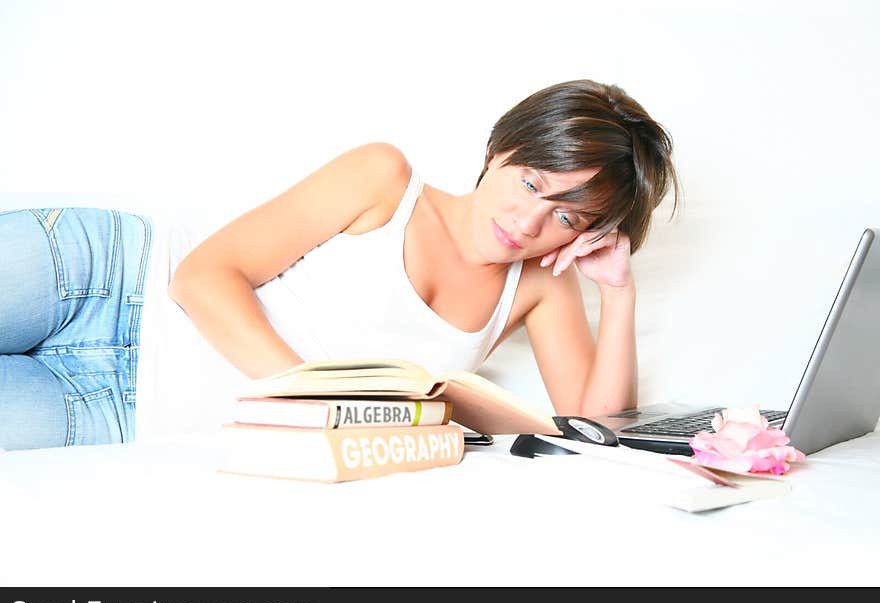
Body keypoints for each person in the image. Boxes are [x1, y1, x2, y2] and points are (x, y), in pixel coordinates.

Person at [0, 79, 678, 451]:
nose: (529, 222)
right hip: (102, 281)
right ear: (501, 147)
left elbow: (595, 435)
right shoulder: (385, 179)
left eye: (566, 215)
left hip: (122, 408)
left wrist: (617, 294)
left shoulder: (538, 289)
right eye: (531, 181)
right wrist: (319, 406)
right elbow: (200, 277)